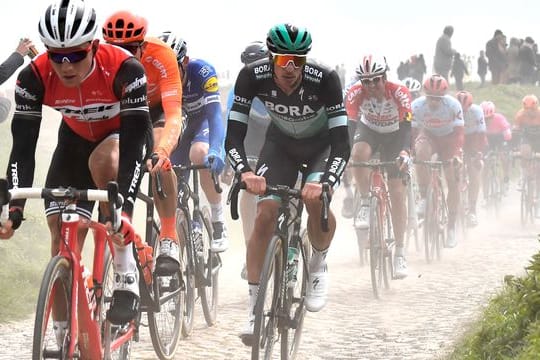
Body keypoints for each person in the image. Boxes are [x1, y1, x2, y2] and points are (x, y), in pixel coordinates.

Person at [0, 0, 153, 335]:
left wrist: (123, 209)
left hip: (120, 139)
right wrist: (15, 205)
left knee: (104, 163)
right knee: (60, 235)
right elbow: (23, 148)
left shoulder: (126, 69)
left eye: (75, 55)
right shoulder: (33, 77)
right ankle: (61, 336)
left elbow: (133, 144)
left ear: (94, 47)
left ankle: (126, 273)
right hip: (74, 141)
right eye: (57, 56)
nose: (66, 65)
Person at [225, 23, 350, 343]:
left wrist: (328, 181)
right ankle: (254, 310)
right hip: (279, 145)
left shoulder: (325, 79)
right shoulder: (252, 76)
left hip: (321, 147)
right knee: (265, 214)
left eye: (298, 60)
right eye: (283, 61)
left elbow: (341, 143)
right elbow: (234, 136)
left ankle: (318, 264)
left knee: (313, 201)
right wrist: (244, 172)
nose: (291, 68)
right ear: (270, 57)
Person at [102, 11, 184, 274]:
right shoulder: (100, 59)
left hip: (156, 111)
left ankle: (169, 236)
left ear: (143, 46)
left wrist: (161, 151)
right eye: (116, 49)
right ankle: (123, 239)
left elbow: (173, 114)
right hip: (123, 111)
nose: (122, 55)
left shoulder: (161, 55)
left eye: (129, 49)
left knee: (159, 159)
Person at [158, 31, 228, 253]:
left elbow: (216, 115)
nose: (167, 73)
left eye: (173, 67)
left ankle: (217, 220)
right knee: (167, 168)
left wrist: (216, 149)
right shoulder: (157, 79)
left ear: (184, 62)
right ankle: (187, 227)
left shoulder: (203, 72)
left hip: (203, 123)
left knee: (199, 154)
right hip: (180, 127)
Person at [345, 55, 412, 278]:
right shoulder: (355, 93)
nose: (371, 86)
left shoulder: (399, 91)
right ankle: (365, 201)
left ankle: (400, 253)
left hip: (395, 134)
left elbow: (407, 127)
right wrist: (345, 153)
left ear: (384, 77)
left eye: (375, 80)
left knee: (397, 191)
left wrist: (404, 151)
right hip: (370, 131)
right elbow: (350, 125)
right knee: (357, 154)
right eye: (366, 81)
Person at [222, 40, 271, 277]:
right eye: (250, 66)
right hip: (251, 138)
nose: (255, 71)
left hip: (276, 138)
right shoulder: (238, 89)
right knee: (247, 189)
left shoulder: (280, 83)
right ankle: (251, 249)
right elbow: (231, 129)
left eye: (259, 64)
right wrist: (229, 161)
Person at [412, 74, 464, 248]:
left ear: (444, 96)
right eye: (430, 98)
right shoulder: (416, 106)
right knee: (420, 152)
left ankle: (451, 228)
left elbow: (459, 134)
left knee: (452, 179)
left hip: (450, 140)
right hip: (430, 136)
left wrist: (456, 154)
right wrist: (411, 152)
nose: (433, 102)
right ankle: (425, 196)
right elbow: (412, 133)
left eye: (437, 98)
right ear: (425, 94)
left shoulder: (453, 105)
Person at [456, 91, 487, 227]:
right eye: (460, 109)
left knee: (474, 171)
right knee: (453, 168)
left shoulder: (477, 111)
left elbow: (481, 134)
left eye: (465, 109)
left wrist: (478, 153)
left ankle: (472, 210)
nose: (462, 111)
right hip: (457, 138)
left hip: (473, 138)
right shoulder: (452, 108)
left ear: (470, 105)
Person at [514, 95, 540, 209]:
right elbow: (516, 130)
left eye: (532, 110)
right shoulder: (520, 115)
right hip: (527, 139)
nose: (529, 112)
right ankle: (522, 175)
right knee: (524, 152)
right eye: (527, 110)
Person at [482, 100, 512, 195]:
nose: (487, 120)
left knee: (504, 157)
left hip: (500, 139)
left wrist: (507, 135)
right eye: (485, 119)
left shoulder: (499, 118)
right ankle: (485, 195)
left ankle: (506, 178)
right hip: (487, 140)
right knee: (485, 167)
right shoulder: (479, 120)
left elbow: (507, 131)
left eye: (490, 118)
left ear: (493, 115)